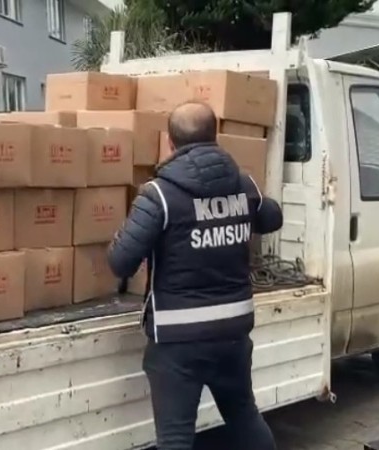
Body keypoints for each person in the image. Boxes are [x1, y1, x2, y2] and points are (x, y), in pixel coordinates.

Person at [107, 101, 283, 450]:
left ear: (170, 142)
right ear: (215, 136)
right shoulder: (244, 185)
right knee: (244, 416)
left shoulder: (159, 195)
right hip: (232, 333)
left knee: (175, 439)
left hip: (178, 342)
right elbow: (272, 218)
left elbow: (120, 262)